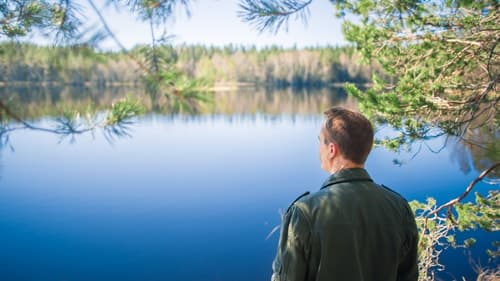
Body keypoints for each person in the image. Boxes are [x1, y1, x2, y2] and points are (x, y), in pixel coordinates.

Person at [271, 107, 419, 281]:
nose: (319, 148)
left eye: (320, 141)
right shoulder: (399, 207)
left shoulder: (304, 212)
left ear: (332, 150)